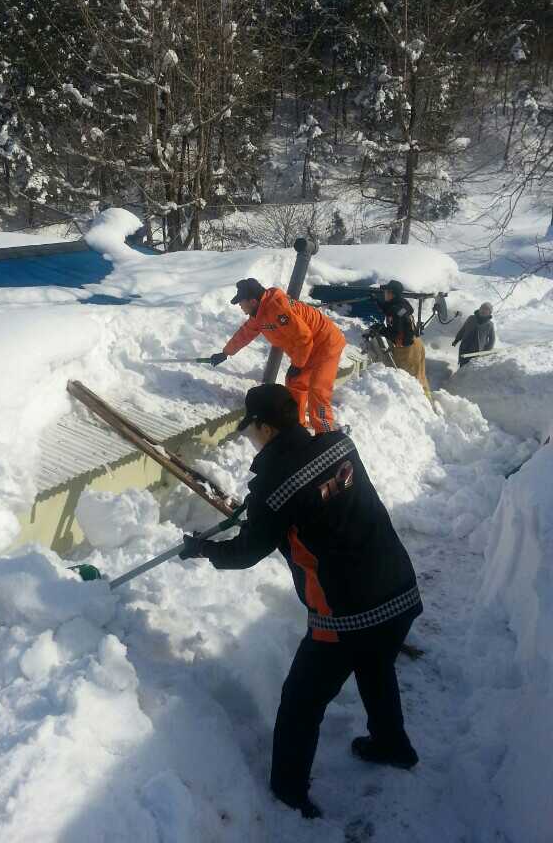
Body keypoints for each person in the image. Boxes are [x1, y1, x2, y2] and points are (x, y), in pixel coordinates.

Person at [179, 383, 422, 820]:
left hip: (346, 614)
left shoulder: (275, 489)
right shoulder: (339, 444)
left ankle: (288, 792)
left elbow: (246, 553)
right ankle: (392, 745)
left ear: (266, 428)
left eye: (251, 429)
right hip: (398, 589)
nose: (251, 436)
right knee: (376, 665)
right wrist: (261, 507)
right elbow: (315, 495)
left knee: (301, 703)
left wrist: (203, 549)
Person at [209, 278, 346, 433]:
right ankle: (297, 427)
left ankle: (326, 434)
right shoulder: (259, 313)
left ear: (253, 301)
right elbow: (245, 333)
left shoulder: (278, 309)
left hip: (326, 344)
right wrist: (225, 353)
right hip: (307, 349)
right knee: (295, 384)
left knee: (318, 390)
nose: (240, 306)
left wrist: (297, 364)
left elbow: (304, 337)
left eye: (241, 302)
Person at [376, 280, 432, 401]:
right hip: (417, 344)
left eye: (386, 291)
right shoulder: (402, 303)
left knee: (412, 381)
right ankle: (429, 402)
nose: (384, 294)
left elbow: (397, 336)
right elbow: (393, 311)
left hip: (407, 349)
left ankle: (424, 404)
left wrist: (381, 330)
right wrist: (378, 303)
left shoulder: (396, 311)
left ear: (392, 294)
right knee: (420, 376)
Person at [452, 302, 495, 367]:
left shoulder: (490, 325)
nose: (483, 310)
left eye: (486, 309)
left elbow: (492, 339)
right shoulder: (471, 318)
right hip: (465, 346)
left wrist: (486, 351)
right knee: (462, 363)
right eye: (482, 308)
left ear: (489, 313)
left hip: (477, 351)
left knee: (471, 366)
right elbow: (463, 329)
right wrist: (456, 340)